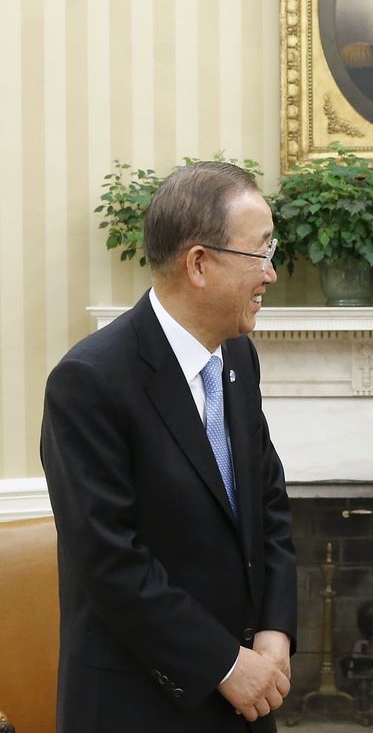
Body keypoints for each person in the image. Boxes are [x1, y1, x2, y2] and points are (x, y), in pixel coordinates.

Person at [41, 161, 297, 732]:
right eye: (260, 253)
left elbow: (268, 505)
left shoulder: (236, 359)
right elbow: (110, 559)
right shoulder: (90, 379)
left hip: (246, 697)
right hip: (139, 702)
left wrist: (277, 630)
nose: (271, 274)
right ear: (200, 264)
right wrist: (224, 663)